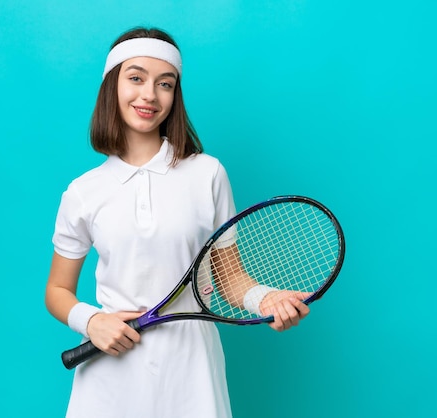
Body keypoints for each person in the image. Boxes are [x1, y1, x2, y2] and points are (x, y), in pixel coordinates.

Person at [45, 27, 310, 418]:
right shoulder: (83, 191)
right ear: (111, 87)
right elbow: (57, 289)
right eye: (135, 78)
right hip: (110, 369)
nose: (149, 94)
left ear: (175, 95)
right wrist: (92, 321)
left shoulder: (208, 174)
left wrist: (266, 299)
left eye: (164, 83)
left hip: (192, 370)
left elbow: (230, 280)